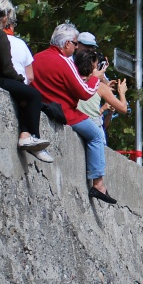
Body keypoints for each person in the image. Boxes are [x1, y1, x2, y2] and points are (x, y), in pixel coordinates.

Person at [32, 23, 118, 204]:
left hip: (41, 105)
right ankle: (98, 184)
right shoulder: (64, 62)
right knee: (96, 134)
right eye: (75, 43)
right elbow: (85, 93)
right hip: (64, 112)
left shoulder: (37, 57)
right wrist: (96, 77)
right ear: (66, 44)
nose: (77, 47)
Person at [0, 0, 50, 161]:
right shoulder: (0, 36)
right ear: (5, 18)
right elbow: (7, 68)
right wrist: (20, 82)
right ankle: (29, 135)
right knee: (32, 95)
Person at [74, 47, 128, 140]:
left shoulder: (72, 80)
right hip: (92, 131)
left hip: (74, 126)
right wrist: (121, 92)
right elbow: (123, 108)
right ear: (94, 67)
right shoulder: (100, 87)